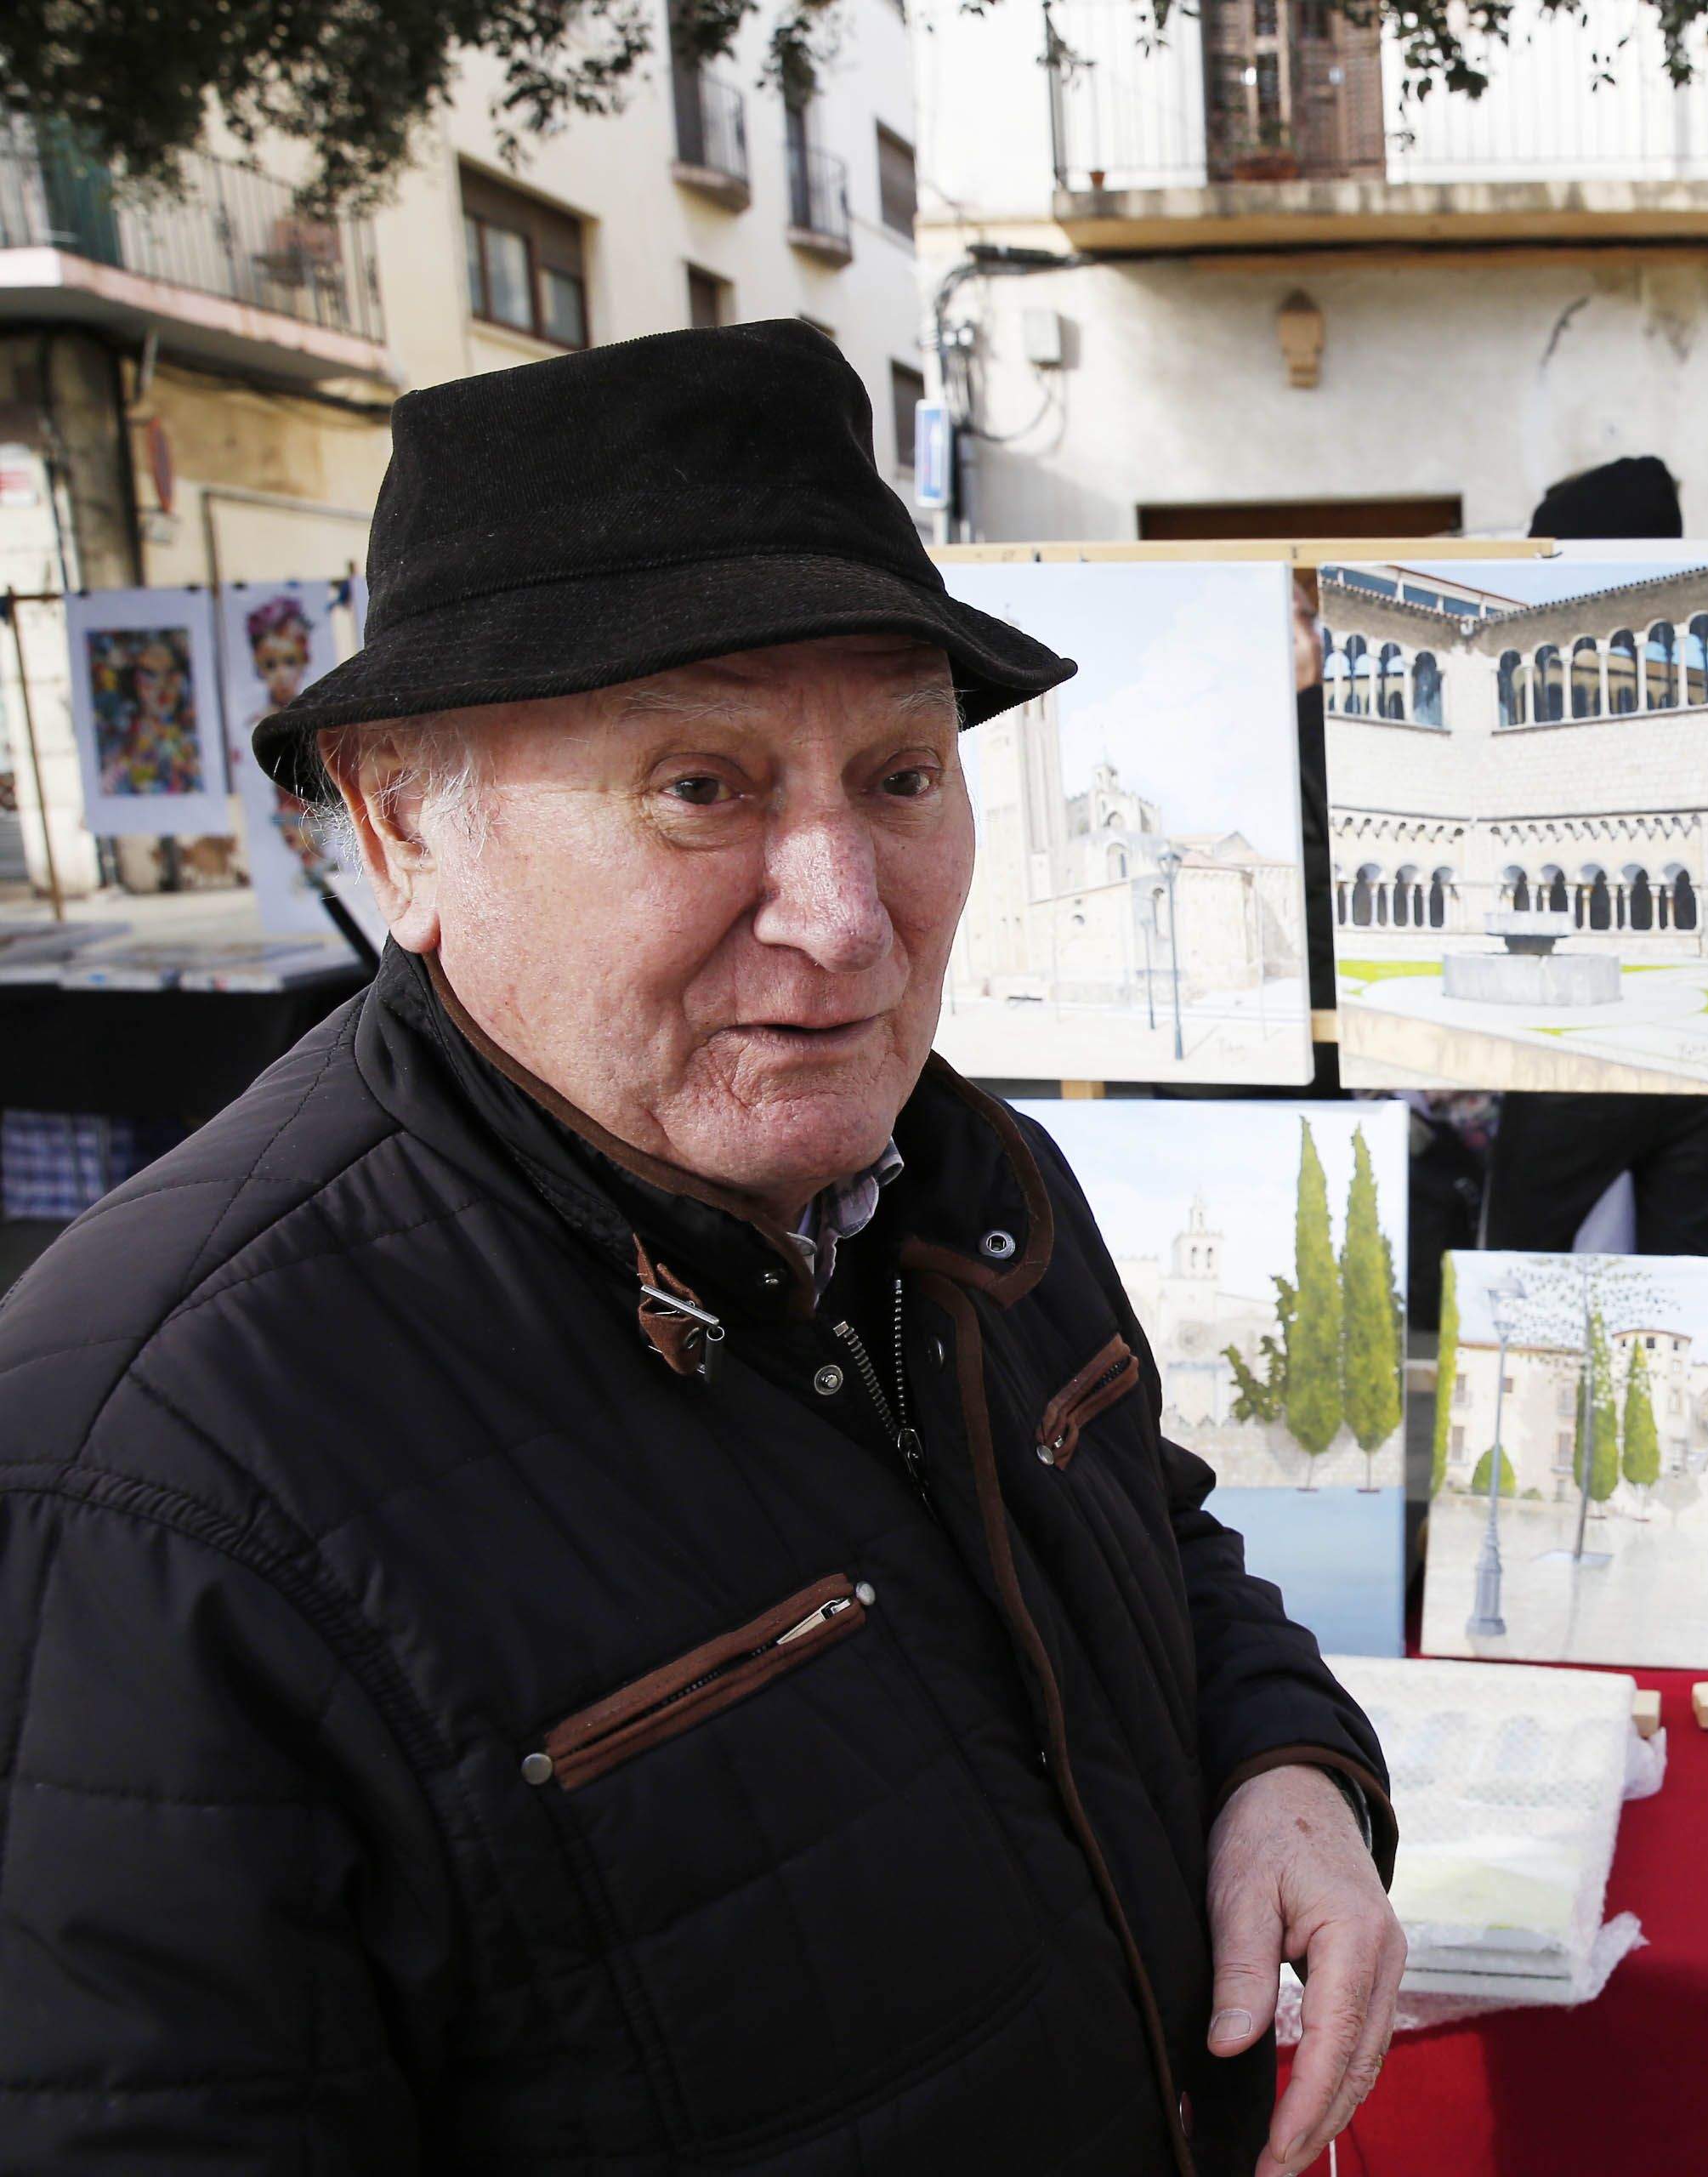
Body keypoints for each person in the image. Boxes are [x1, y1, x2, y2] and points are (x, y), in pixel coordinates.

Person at [0, 322, 1403, 2177]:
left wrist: (1286, 1765)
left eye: (900, 775)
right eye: (701, 785)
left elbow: (1149, 1531)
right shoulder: (145, 1476)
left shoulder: (965, 1176)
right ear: (402, 822)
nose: (841, 922)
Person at [1479, 456, 1708, 1256]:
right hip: (1700, 1033)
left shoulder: (1537, 705)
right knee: (1679, 1290)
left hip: (1575, 1043)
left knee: (1518, 1280)